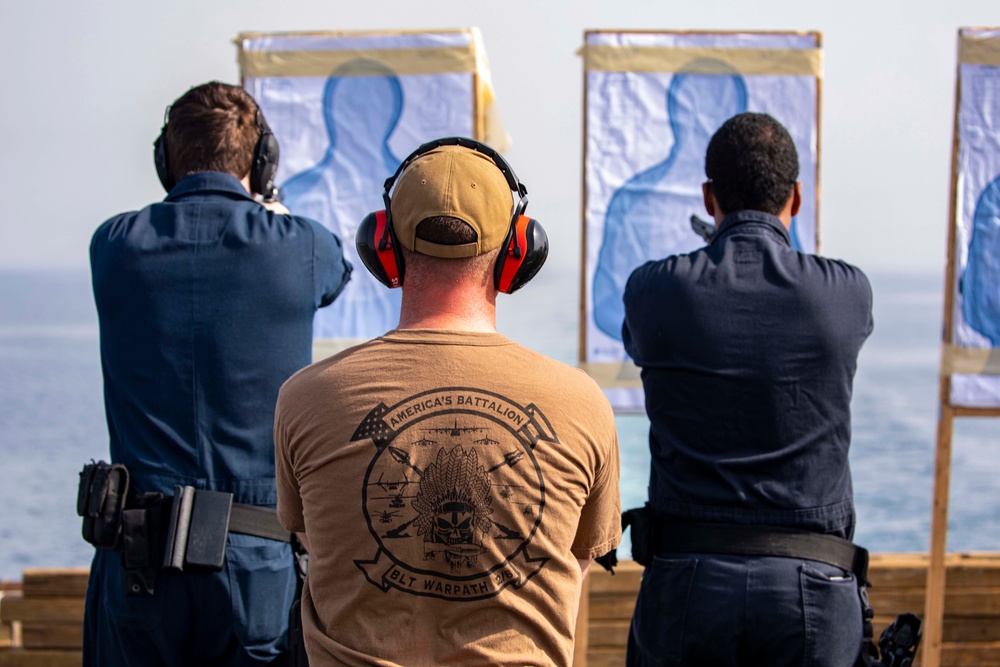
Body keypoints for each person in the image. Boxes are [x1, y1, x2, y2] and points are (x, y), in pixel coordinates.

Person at [273, 137, 622, 667]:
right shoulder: (583, 404)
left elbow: (310, 538)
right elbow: (573, 563)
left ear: (383, 244)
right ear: (518, 252)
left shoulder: (305, 399)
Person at [84, 81, 352, 667]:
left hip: (137, 560)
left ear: (165, 159)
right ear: (261, 162)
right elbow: (337, 273)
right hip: (254, 560)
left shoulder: (113, 245)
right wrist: (271, 207)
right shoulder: (300, 245)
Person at [622, 112, 874, 667]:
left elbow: (648, 342)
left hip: (687, 580)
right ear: (798, 197)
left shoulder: (653, 288)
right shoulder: (848, 292)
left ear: (709, 197)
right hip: (817, 584)